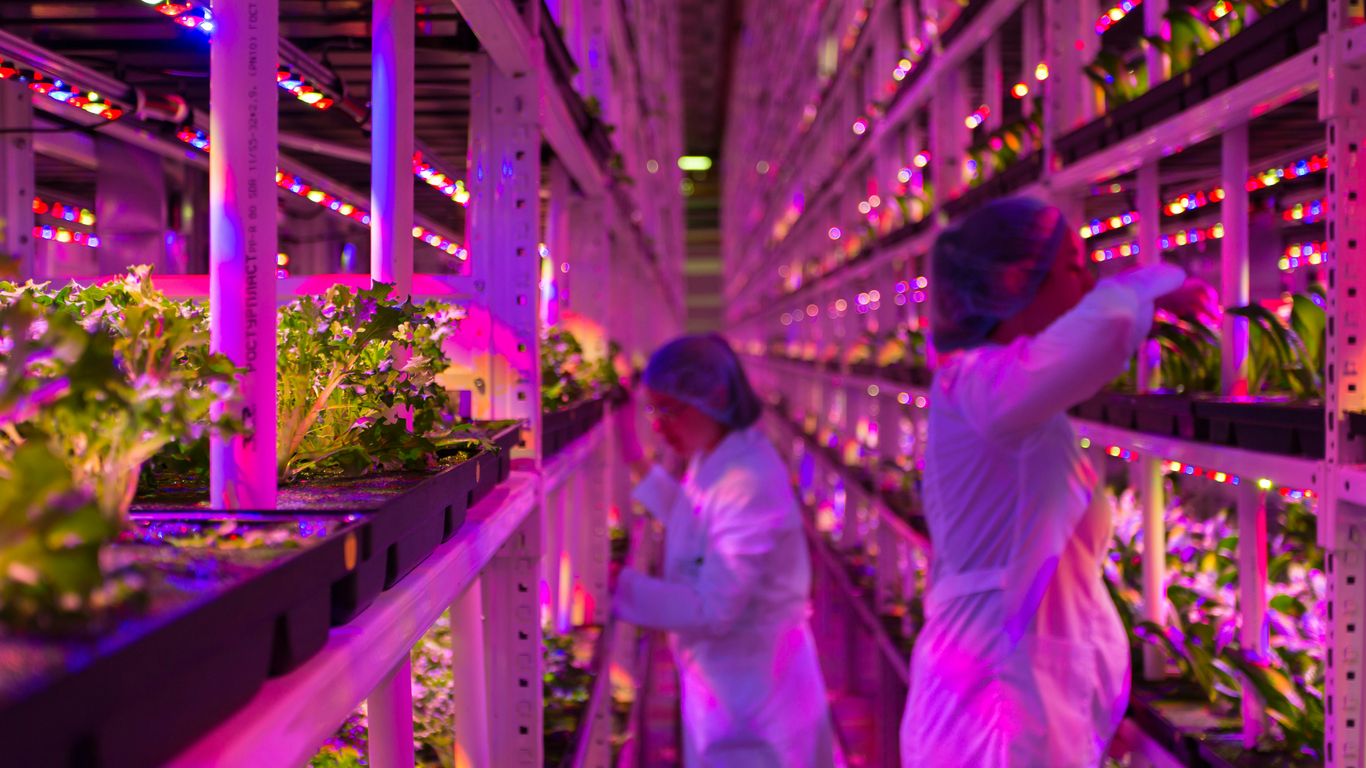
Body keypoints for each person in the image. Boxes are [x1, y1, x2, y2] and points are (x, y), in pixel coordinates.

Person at [900, 197, 1218, 767]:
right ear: (1016, 281)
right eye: (1075, 265)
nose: (1090, 281)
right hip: (992, 718)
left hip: (1015, 708)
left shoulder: (1010, 403)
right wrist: (1149, 289)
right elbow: (1106, 327)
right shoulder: (982, 390)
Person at [612, 334, 836, 768]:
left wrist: (616, 588)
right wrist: (631, 450)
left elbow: (713, 608)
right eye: (651, 410)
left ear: (713, 397)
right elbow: (693, 518)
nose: (658, 426)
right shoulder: (716, 456)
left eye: (669, 410)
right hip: (733, 688)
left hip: (756, 704)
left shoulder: (746, 481)